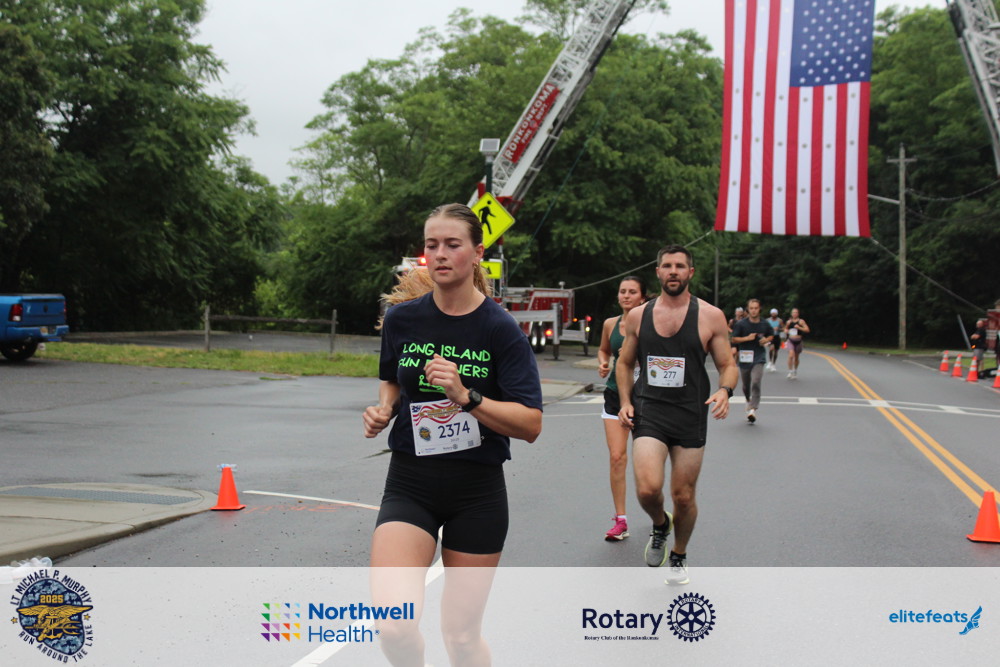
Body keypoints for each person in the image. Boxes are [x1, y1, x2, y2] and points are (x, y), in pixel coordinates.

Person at [362, 202, 543, 666]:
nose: (440, 254)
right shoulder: (403, 319)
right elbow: (391, 379)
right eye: (432, 244)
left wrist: (467, 396)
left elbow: (530, 424)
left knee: (460, 637)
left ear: (477, 252)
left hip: (476, 493)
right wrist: (384, 409)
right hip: (410, 483)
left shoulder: (500, 329)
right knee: (393, 624)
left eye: (452, 244)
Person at [616, 244, 738, 585]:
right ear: (658, 272)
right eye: (667, 265)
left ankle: (679, 554)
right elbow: (624, 363)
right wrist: (625, 401)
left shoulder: (711, 316)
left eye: (680, 266)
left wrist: (725, 391)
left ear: (690, 272)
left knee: (683, 496)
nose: (673, 271)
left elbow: (728, 365)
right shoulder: (638, 316)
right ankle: (660, 524)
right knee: (647, 489)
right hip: (650, 410)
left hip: (689, 414)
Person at [597, 276, 647, 541]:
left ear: (642, 297)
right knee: (617, 457)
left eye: (632, 292)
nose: (626, 296)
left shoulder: (652, 323)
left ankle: (657, 514)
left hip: (647, 398)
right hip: (615, 394)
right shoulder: (610, 324)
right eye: (622, 291)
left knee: (646, 462)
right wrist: (603, 363)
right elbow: (604, 350)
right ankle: (621, 520)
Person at [731, 299, 774, 423]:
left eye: (756, 308)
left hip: (759, 356)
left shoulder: (764, 323)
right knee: (746, 385)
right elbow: (734, 339)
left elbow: (771, 335)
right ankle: (747, 400)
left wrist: (766, 340)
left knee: (756, 381)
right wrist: (747, 338)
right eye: (751, 308)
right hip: (745, 356)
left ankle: (752, 409)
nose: (754, 310)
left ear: (759, 309)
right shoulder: (741, 324)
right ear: (748, 310)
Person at [784, 307, 810, 379]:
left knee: (796, 358)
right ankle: (790, 371)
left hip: (798, 341)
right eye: (793, 312)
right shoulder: (789, 322)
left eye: (796, 312)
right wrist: (786, 331)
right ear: (791, 314)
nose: (794, 314)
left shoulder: (801, 321)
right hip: (791, 340)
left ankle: (795, 370)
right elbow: (785, 329)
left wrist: (799, 328)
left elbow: (807, 330)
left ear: (798, 314)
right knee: (791, 355)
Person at [765, 308, 784, 372]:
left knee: (776, 351)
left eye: (774, 313)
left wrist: (778, 329)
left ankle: (773, 364)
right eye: (772, 313)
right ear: (771, 314)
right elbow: (765, 328)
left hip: (777, 336)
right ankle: (770, 361)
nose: (773, 314)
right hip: (770, 336)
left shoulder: (779, 320)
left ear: (777, 314)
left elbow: (783, 329)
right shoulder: (768, 320)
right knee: (771, 348)